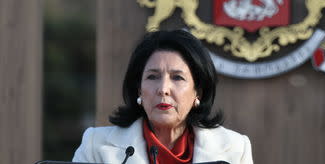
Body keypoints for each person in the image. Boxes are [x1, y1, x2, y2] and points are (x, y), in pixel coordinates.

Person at [73, 29, 253, 164]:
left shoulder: (235, 149)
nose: (163, 89)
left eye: (177, 77)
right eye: (152, 77)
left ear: (198, 92)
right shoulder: (95, 145)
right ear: (139, 89)